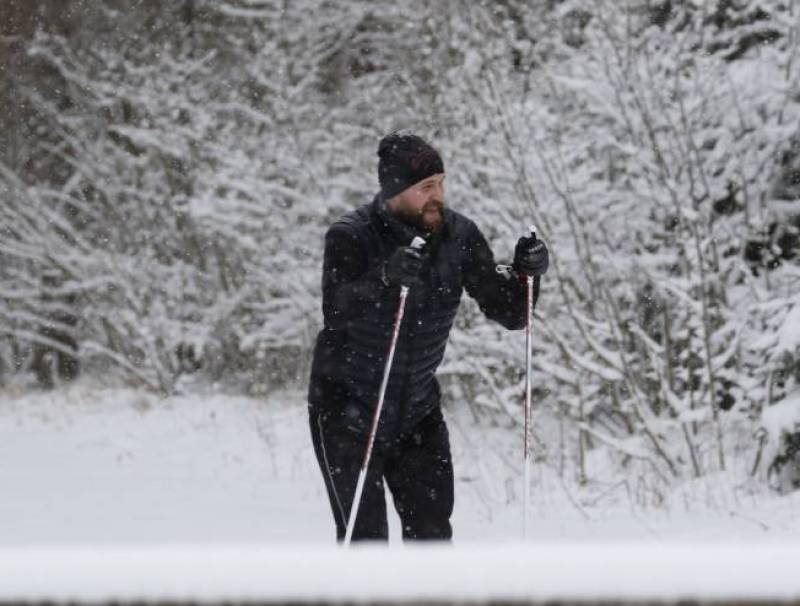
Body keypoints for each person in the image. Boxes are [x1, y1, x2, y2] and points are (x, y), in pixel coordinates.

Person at [307, 132, 549, 542]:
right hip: (347, 411)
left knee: (432, 537)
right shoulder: (351, 235)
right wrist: (386, 278)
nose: (437, 195)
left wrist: (527, 274)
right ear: (395, 191)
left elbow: (510, 312)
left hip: (416, 413)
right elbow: (336, 311)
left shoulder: (459, 235)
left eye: (440, 183)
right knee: (365, 541)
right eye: (425, 187)